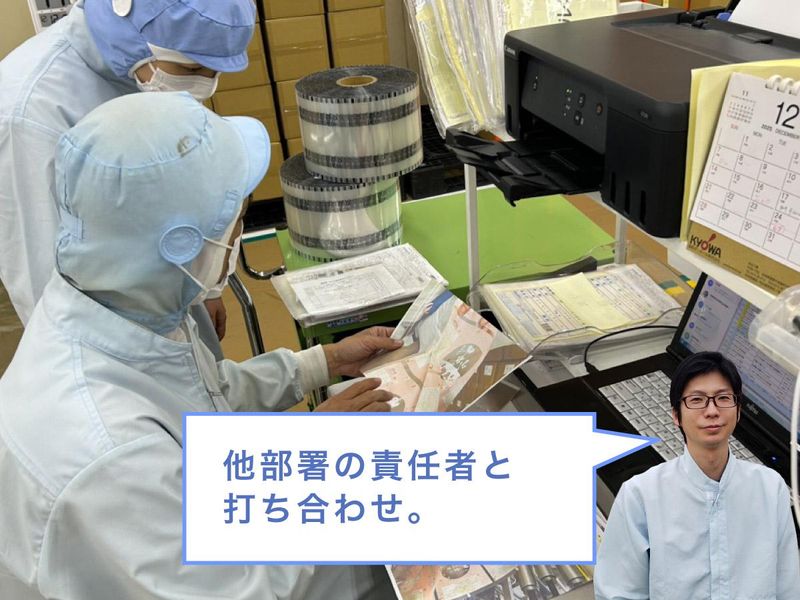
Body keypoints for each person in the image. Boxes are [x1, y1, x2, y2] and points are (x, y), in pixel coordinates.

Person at [0, 92, 400, 600]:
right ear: (184, 245)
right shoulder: (110, 454)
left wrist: (322, 362)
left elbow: (203, 396)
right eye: (236, 218)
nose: (239, 233)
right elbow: (240, 589)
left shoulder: (123, 300)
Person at [0, 0, 257, 357]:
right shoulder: (29, 115)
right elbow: (46, 291)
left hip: (169, 295)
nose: (204, 85)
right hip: (108, 348)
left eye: (215, 70)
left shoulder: (152, 63)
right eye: (194, 68)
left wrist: (204, 288)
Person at [594, 351, 800, 600]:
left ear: (738, 411)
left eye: (723, 398)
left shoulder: (770, 488)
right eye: (697, 400)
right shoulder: (641, 495)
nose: (712, 411)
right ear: (676, 415)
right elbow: (618, 593)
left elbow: (789, 587)